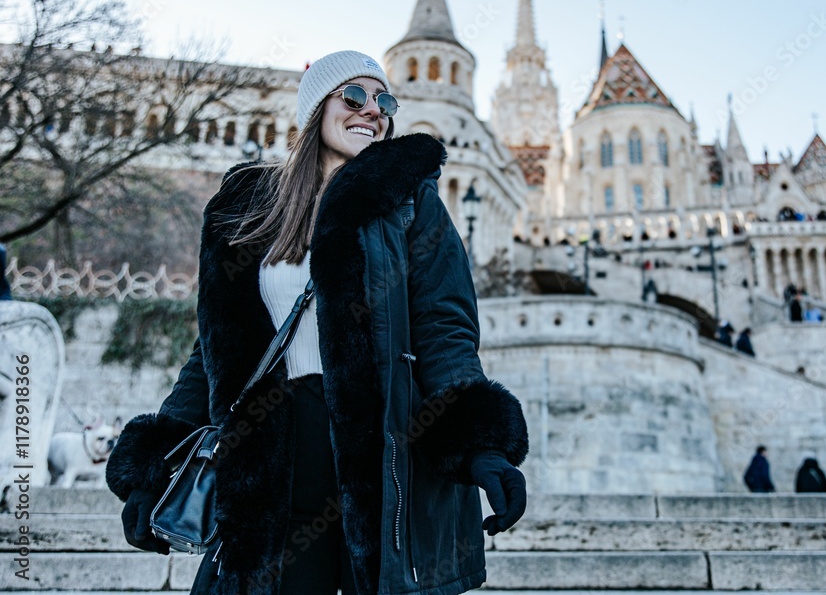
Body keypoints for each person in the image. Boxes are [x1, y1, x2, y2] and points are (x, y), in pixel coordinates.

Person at [105, 51, 530, 595]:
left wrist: (481, 444)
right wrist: (155, 466)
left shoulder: (410, 201)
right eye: (354, 96)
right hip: (271, 452)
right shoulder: (250, 206)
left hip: (379, 449)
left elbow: (444, 329)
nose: (372, 110)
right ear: (315, 110)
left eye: (385, 101)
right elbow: (213, 351)